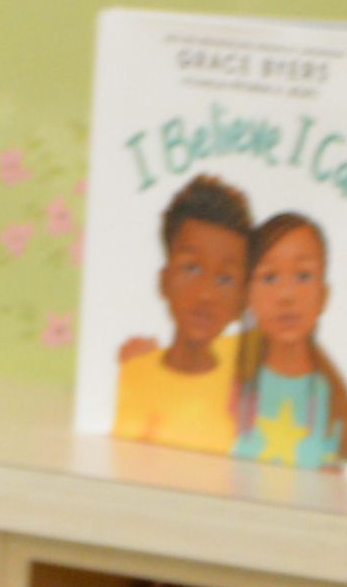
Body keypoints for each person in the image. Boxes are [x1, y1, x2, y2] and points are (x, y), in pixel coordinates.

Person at [104, 172, 255, 452]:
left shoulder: (248, 375)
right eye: (192, 268)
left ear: (242, 301)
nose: (205, 294)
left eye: (225, 279)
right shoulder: (136, 371)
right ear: (164, 281)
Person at [230, 208, 347, 470]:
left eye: (303, 276)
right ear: (248, 295)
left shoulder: (332, 401)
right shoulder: (233, 379)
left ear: (323, 295)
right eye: (269, 277)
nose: (286, 295)